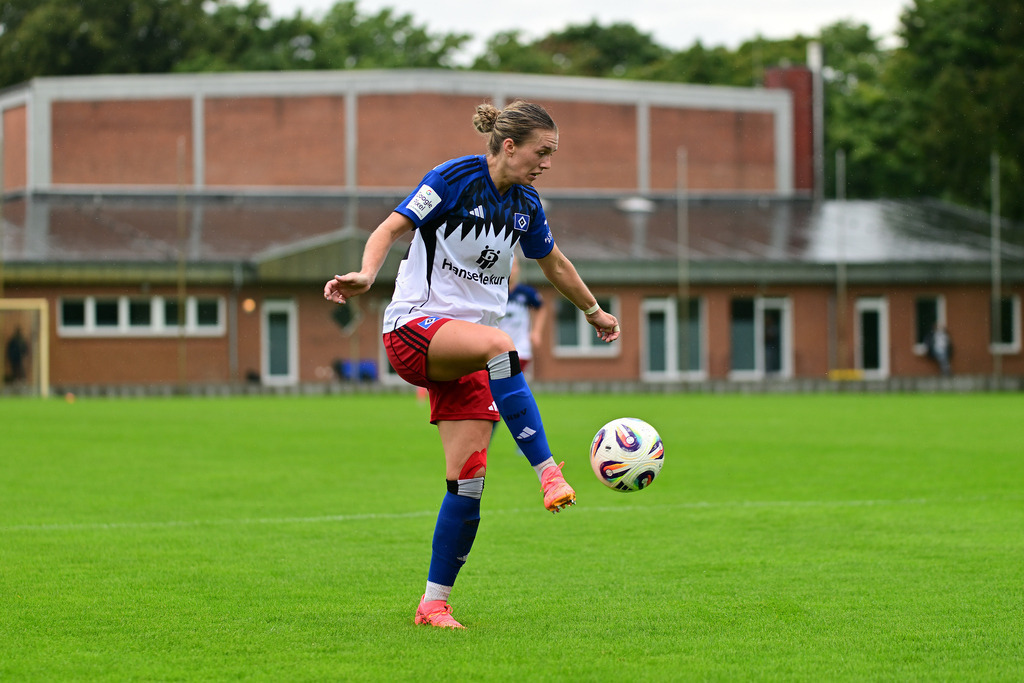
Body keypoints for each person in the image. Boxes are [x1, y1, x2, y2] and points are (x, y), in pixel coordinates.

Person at [323, 100, 620, 630]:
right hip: (415, 330)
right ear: (510, 146)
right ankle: (548, 471)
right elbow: (389, 229)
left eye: (552, 154)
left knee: (469, 481)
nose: (547, 163)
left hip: (465, 353)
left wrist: (594, 311)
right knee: (500, 345)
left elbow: (554, 263)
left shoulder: (526, 203)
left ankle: (433, 603)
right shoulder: (452, 178)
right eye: (542, 152)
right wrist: (368, 275)